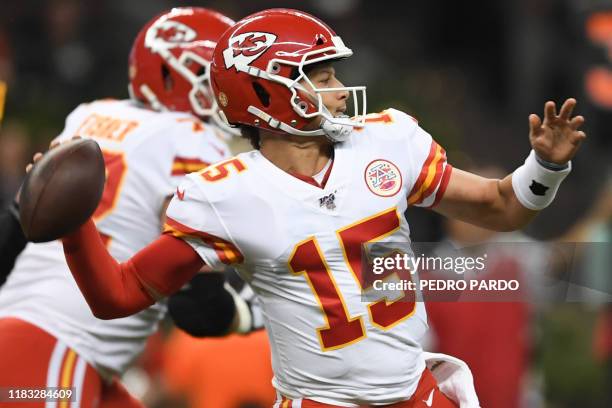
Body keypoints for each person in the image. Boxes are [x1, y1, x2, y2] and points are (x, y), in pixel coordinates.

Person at [55, 8, 586, 408]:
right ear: (266, 92)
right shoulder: (225, 194)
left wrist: (543, 167)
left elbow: (502, 209)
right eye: (322, 76)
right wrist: (72, 224)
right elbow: (119, 294)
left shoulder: (388, 141)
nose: (338, 90)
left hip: (416, 393)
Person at [0, 8, 246, 407]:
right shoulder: (194, 140)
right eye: (217, 77)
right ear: (172, 74)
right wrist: (247, 310)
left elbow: (12, 228)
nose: (232, 90)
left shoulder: (89, 115)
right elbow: (197, 304)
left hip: (35, 331)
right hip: (59, 344)